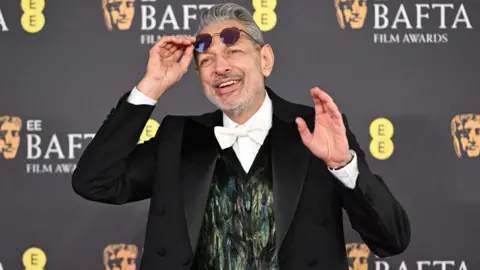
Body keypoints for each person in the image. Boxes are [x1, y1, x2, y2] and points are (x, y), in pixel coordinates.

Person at [72, 3, 410, 270]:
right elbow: (95, 182)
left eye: (234, 52)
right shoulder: (178, 137)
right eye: (206, 61)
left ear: (265, 59)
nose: (220, 67)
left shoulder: (315, 129)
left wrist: (343, 166)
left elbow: (391, 241)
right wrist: (150, 88)